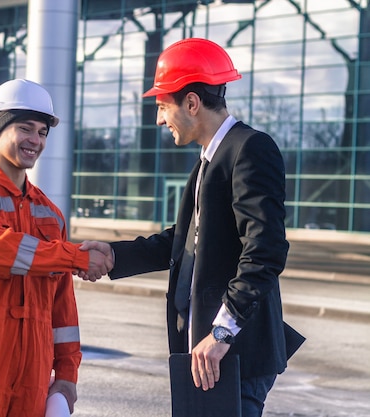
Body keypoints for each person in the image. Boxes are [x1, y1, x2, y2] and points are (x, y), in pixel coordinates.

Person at [79, 38, 301, 417]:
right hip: (209, 353)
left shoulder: (249, 149)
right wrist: (115, 255)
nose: (159, 119)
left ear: (192, 103)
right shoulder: (210, 160)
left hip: (231, 354)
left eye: (163, 107)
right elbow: (183, 243)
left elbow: (264, 251)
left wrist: (221, 332)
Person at [0, 78, 110, 417]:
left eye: (42, 132)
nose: (36, 140)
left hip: (33, 369)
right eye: (25, 128)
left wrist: (67, 375)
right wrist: (76, 256)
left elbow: (63, 308)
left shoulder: (51, 214)